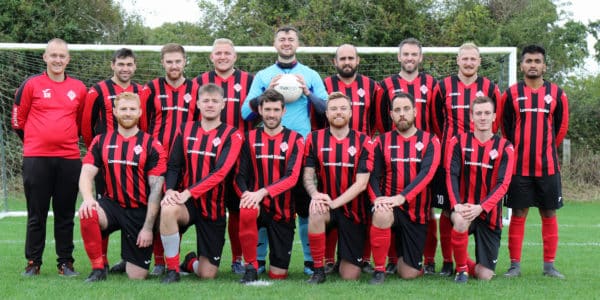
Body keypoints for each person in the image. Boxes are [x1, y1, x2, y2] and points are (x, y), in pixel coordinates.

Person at [241, 25, 328, 276]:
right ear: (275, 44)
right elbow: (246, 113)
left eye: (291, 39)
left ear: (297, 44)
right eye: (282, 39)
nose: (286, 42)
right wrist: (266, 91)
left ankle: (311, 260)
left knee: (303, 205)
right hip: (265, 153)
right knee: (264, 202)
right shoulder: (263, 76)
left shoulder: (310, 74)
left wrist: (308, 92)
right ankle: (257, 259)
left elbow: (325, 110)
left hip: (301, 150)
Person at [12, 38, 87, 277]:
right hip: (37, 159)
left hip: (69, 159)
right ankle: (33, 262)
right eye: (53, 55)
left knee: (66, 215)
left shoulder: (79, 88)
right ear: (44, 57)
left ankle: (66, 263)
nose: (57, 60)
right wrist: (36, 142)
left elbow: (81, 123)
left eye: (62, 56)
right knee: (37, 214)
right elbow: (18, 120)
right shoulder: (31, 85)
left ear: (68, 59)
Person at [159, 83, 243, 283]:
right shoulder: (185, 129)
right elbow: (173, 165)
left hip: (213, 207)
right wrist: (170, 190)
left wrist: (188, 192)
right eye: (206, 101)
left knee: (207, 274)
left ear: (223, 104)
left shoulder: (233, 134)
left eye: (215, 101)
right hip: (187, 204)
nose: (210, 105)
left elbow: (220, 172)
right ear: (197, 104)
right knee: (168, 209)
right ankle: (172, 270)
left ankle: (189, 262)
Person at [78, 92, 166, 282]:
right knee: (88, 211)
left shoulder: (152, 144)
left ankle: (130, 260)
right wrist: (88, 198)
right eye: (123, 109)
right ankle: (98, 269)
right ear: (115, 112)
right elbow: (86, 173)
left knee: (137, 276)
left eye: (132, 109)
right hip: (112, 206)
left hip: (139, 211)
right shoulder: (101, 141)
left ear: (140, 112)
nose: (127, 113)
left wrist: (148, 228)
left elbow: (156, 191)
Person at [431, 42, 502, 276]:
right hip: (448, 160)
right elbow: (435, 120)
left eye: (473, 59)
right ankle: (448, 262)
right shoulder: (443, 86)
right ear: (458, 60)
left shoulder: (490, 88)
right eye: (465, 58)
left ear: (479, 61)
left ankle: (468, 262)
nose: (469, 62)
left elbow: (495, 119)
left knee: (474, 209)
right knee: (446, 210)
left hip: (479, 159)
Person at [501, 45, 569, 279]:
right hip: (519, 167)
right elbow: (505, 126)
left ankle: (549, 266)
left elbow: (560, 128)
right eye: (528, 61)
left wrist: (545, 147)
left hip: (548, 166)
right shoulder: (510, 94)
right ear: (521, 65)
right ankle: (514, 265)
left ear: (544, 66)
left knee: (549, 213)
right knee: (518, 213)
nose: (533, 65)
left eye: (537, 61)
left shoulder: (557, 93)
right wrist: (519, 149)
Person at [80, 48, 146, 273]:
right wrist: (100, 152)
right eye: (121, 64)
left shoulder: (141, 91)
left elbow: (144, 123)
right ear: (113, 65)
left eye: (129, 64)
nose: (125, 69)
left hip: (135, 161)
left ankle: (130, 259)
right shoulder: (98, 90)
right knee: (101, 206)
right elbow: (86, 126)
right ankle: (102, 261)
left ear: (135, 66)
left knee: (136, 207)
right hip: (107, 163)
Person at [378, 37, 438, 275]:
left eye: (414, 54)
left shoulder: (432, 84)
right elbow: (381, 120)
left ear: (420, 57)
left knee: (429, 208)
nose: (410, 58)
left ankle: (430, 260)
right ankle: (391, 260)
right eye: (406, 54)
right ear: (399, 57)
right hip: (393, 155)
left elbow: (436, 119)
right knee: (387, 205)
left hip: (426, 154)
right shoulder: (386, 85)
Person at [368, 92, 441, 284]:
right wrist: (377, 199)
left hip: (416, 213)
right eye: (397, 110)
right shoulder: (381, 141)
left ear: (415, 112)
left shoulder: (430, 140)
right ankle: (379, 270)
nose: (402, 114)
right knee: (381, 213)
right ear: (391, 114)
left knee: (408, 273)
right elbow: (373, 177)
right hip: (390, 207)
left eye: (406, 109)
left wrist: (402, 197)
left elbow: (427, 174)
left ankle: (402, 260)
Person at [322, 43, 383, 274]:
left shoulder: (371, 86)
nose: (346, 62)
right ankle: (328, 260)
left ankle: (363, 258)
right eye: (342, 58)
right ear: (335, 62)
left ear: (357, 61)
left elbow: (378, 121)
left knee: (363, 206)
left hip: (362, 156)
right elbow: (319, 118)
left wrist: (368, 145)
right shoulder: (325, 85)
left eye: (351, 58)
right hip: (329, 154)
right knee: (328, 201)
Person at [196, 38, 254, 275]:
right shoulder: (199, 82)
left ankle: (237, 259)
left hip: (241, 156)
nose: (222, 57)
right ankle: (170, 261)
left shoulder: (250, 81)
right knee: (204, 208)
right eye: (218, 53)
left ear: (235, 56)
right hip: (207, 158)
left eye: (227, 53)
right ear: (211, 57)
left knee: (238, 207)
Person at [235, 89, 305, 283]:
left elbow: (292, 178)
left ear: (284, 111)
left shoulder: (296, 139)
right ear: (260, 110)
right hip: (257, 207)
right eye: (267, 109)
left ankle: (270, 263)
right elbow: (239, 176)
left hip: (283, 211)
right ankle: (250, 266)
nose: (271, 114)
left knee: (278, 274)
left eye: (276, 109)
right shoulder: (248, 138)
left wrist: (262, 192)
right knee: (247, 208)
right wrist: (247, 195)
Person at [303, 92, 374, 284]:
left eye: (343, 108)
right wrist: (315, 194)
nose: (338, 112)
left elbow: (361, 184)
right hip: (327, 207)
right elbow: (308, 176)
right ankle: (318, 270)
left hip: (353, 212)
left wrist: (334, 203)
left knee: (350, 276)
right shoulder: (313, 139)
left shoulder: (364, 141)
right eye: (333, 109)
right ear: (326, 114)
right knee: (316, 211)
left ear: (351, 113)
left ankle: (343, 259)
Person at [144, 43, 201, 275]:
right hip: (158, 160)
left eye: (178, 61)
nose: (174, 65)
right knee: (155, 207)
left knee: (183, 208)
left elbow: (200, 123)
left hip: (187, 162)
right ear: (162, 63)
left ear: (185, 61)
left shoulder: (197, 89)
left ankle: (180, 259)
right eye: (169, 61)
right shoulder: (151, 88)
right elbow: (143, 123)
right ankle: (160, 262)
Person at [446, 96, 514, 283]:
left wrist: (481, 207)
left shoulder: (505, 147)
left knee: (485, 276)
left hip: (489, 214)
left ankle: (462, 260)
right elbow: (451, 174)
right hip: (465, 208)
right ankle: (461, 271)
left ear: (494, 117)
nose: (482, 117)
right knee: (459, 220)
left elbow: (503, 184)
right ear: (472, 117)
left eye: (486, 113)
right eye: (478, 113)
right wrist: (456, 204)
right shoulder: (458, 142)